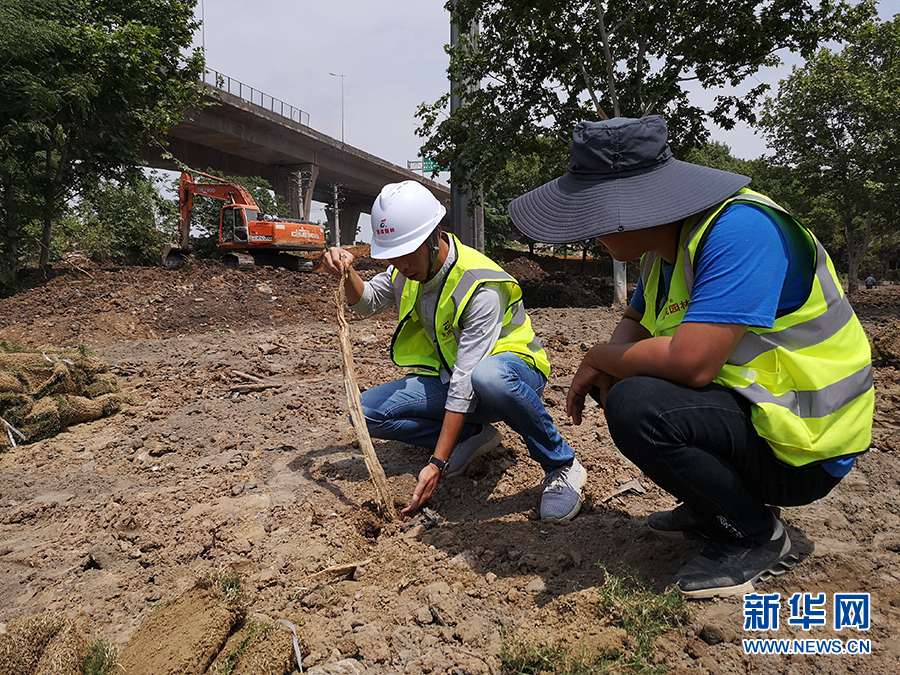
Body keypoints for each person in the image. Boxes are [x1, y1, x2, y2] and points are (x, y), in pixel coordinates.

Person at [508, 116, 874, 598]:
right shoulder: (663, 253)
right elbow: (635, 324)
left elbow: (691, 363)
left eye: (594, 213)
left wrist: (598, 354)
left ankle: (755, 535)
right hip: (760, 418)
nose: (589, 230)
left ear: (634, 205)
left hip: (806, 448)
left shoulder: (740, 230)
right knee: (620, 382)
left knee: (637, 403)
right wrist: (608, 361)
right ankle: (713, 504)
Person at [322, 180, 586, 522]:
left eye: (407, 251)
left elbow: (466, 382)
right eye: (393, 255)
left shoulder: (479, 285)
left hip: (510, 379)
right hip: (454, 379)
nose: (400, 264)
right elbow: (368, 300)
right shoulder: (408, 271)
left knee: (488, 376)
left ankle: (562, 464)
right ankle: (473, 435)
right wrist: (348, 272)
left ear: (435, 235)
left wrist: (436, 462)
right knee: (366, 413)